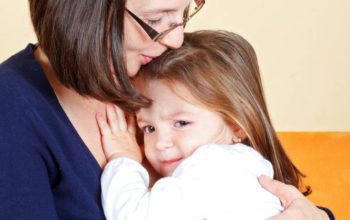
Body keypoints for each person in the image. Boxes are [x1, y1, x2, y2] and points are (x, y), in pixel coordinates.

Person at [0, 0, 332, 219]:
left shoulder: (157, 73)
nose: (176, 39)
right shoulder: (13, 109)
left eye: (185, 11)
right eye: (156, 18)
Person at [97, 30, 333, 220]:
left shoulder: (210, 166)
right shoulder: (246, 163)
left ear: (236, 125)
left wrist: (122, 160)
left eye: (181, 123)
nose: (160, 143)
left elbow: (134, 216)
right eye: (148, 128)